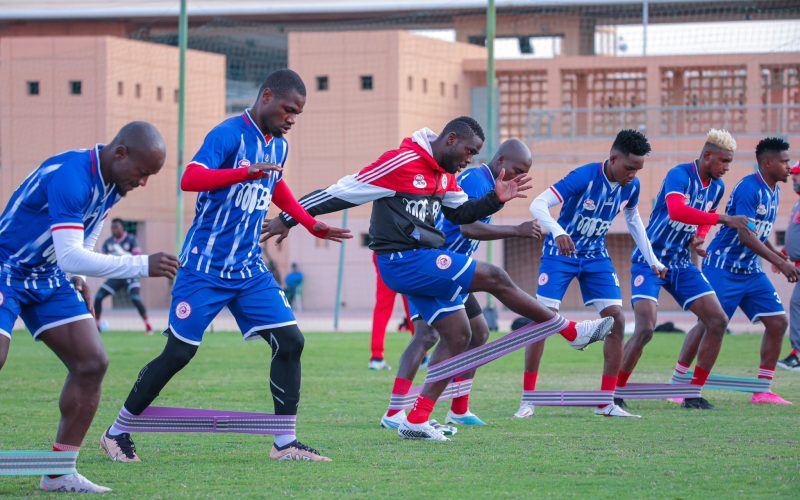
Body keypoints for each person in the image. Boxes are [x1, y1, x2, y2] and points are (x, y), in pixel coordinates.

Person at [264, 116, 613, 442]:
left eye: (475, 155)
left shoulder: (443, 177)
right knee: (495, 276)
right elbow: (337, 192)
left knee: (460, 334)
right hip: (402, 260)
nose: (469, 161)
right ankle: (570, 331)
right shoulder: (401, 163)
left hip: (426, 262)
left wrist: (495, 199)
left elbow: (462, 213)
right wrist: (289, 218)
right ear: (451, 139)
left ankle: (417, 419)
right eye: (469, 152)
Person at [100, 69, 350, 464]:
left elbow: (275, 187)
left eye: (297, 114)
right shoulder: (228, 134)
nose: (291, 119)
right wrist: (242, 171)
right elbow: (190, 178)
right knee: (179, 354)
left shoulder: (279, 146)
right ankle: (117, 432)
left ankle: (284, 443)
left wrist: (309, 221)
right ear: (266, 96)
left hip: (249, 268)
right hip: (204, 268)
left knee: (291, 341)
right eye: (288, 110)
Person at [0, 122, 179, 493]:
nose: (143, 182)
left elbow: (87, 233)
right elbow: (70, 252)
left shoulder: (113, 182)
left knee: (92, 362)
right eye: (142, 173)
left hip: (47, 275)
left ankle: (58, 471)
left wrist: (78, 272)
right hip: (5, 266)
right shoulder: (72, 176)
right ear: (120, 153)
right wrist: (141, 265)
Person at [380, 138, 539, 429]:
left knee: (477, 333)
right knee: (426, 335)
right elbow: (468, 227)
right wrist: (516, 230)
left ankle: (458, 408)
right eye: (516, 169)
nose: (518, 176)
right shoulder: (476, 180)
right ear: (500, 160)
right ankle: (396, 412)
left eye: (523, 172)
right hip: (433, 267)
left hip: (456, 271)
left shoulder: (489, 184)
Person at [515, 129, 661, 420]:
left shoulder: (631, 187)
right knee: (542, 320)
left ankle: (606, 401)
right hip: (562, 253)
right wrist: (557, 231)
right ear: (613, 158)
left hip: (596, 255)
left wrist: (652, 259)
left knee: (616, 319)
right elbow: (538, 204)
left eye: (638, 169)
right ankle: (527, 400)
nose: (633, 174)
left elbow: (633, 219)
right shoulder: (584, 176)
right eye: (629, 167)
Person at [615, 129, 752, 410]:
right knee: (645, 329)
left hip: (680, 262)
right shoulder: (680, 175)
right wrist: (724, 219)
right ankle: (614, 390)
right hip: (650, 259)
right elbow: (677, 211)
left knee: (717, 320)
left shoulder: (716, 187)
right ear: (707, 156)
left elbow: (702, 216)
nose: (727, 168)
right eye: (724, 161)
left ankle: (692, 391)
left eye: (730, 162)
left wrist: (699, 236)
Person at [675, 138, 797, 404]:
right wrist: (779, 262)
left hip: (751, 272)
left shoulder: (773, 190)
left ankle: (762, 390)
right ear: (768, 163)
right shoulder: (748, 188)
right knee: (708, 323)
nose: (789, 166)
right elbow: (745, 235)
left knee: (778, 322)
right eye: (785, 161)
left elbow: (759, 233)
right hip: (723, 268)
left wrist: (777, 257)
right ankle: (679, 383)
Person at [93, 218, 154, 335]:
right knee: (99, 297)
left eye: (116, 226)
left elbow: (138, 256)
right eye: (112, 227)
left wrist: (123, 254)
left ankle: (148, 325)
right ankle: (97, 325)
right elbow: (105, 260)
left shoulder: (131, 239)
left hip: (131, 274)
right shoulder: (108, 242)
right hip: (117, 276)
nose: (114, 229)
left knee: (135, 298)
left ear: (122, 228)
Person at [369, 251, 415, 371]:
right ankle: (420, 354)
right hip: (402, 253)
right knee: (412, 305)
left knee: (382, 308)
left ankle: (376, 357)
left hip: (382, 252)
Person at [777, 160, 800, 371]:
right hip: (796, 264)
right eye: (793, 174)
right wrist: (783, 255)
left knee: (797, 304)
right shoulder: (796, 204)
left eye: (798, 175)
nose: (793, 178)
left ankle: (798, 354)